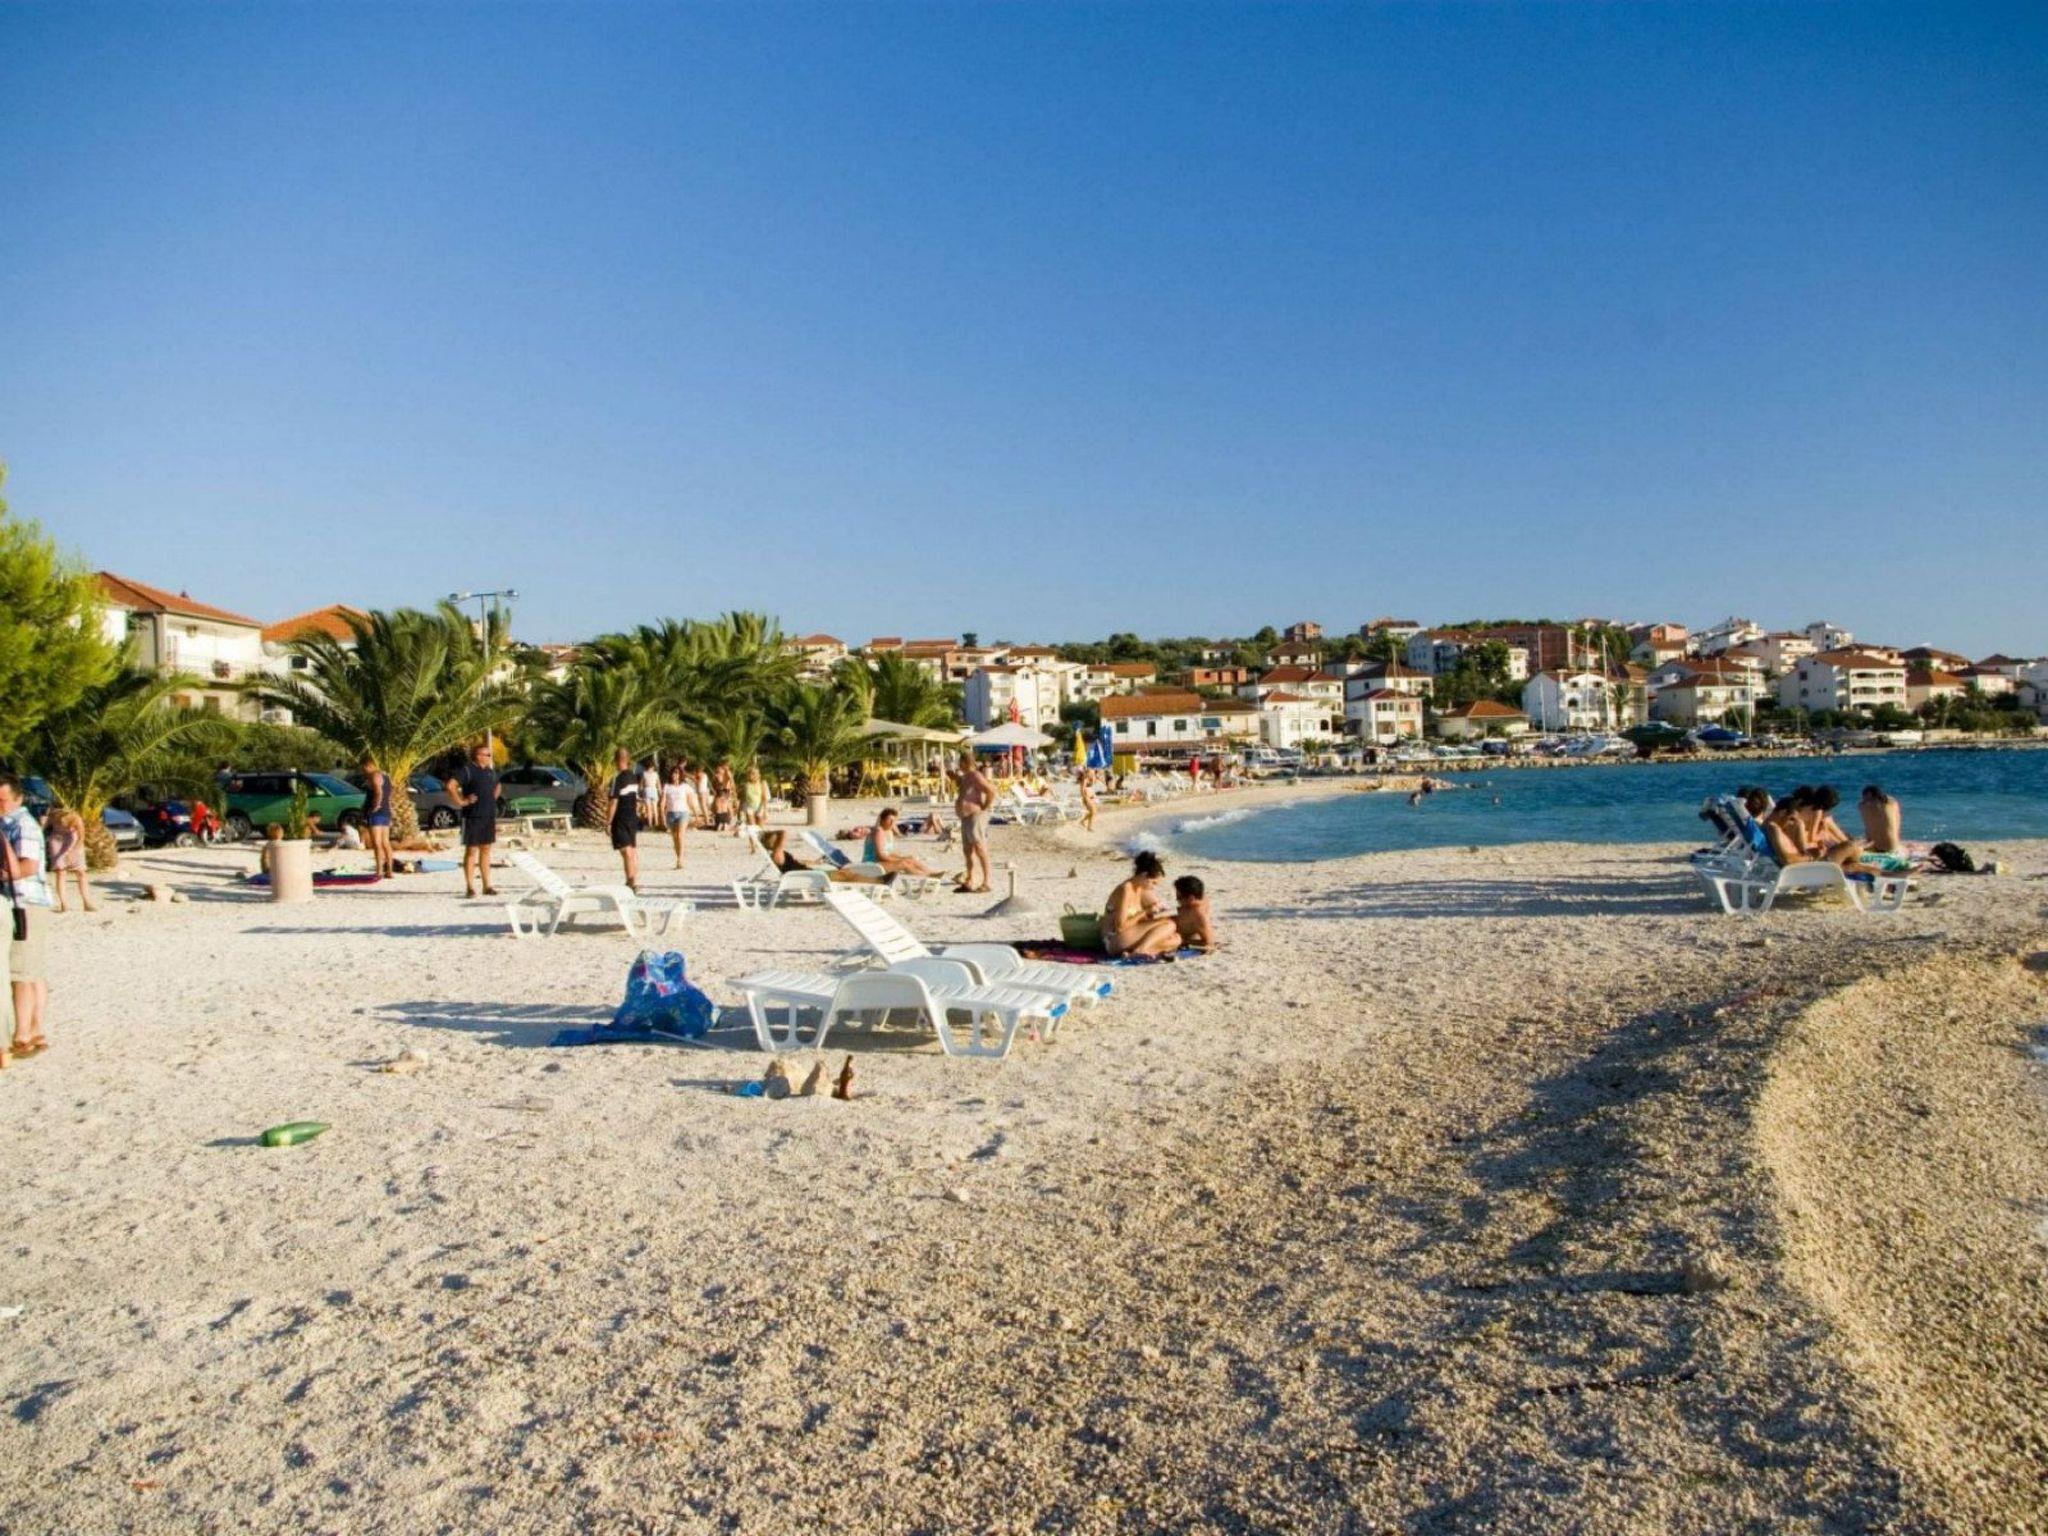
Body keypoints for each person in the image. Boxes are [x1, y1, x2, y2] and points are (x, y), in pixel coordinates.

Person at [0, 774, 53, 1060]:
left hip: (25, 903)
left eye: (3, 801)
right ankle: (35, 1030)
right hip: (27, 901)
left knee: (20, 972)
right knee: (31, 971)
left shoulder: (21, 824)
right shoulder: (10, 822)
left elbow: (27, 867)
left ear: (18, 798)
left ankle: (22, 1036)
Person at [446, 740, 499, 898]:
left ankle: (487, 885)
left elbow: (498, 785)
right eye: (486, 755)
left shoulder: (490, 772)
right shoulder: (467, 770)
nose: (489, 757)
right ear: (478, 756)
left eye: (489, 755)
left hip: (488, 815)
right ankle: (470, 887)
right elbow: (450, 785)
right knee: (471, 850)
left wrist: (492, 798)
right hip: (472, 816)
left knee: (486, 849)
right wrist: (461, 801)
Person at [1102, 850, 1180, 958]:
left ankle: (1133, 953)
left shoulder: (1138, 888)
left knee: (1176, 939)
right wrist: (1145, 912)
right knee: (1170, 925)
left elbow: (1135, 919)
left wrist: (1151, 915)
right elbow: (1120, 927)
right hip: (1114, 938)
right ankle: (1140, 950)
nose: (1153, 887)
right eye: (1153, 883)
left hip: (1127, 936)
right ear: (1144, 875)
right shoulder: (1125, 889)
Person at [760, 829, 889, 885]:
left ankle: (877, 879)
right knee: (845, 875)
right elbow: (784, 833)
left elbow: (795, 862)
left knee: (845, 872)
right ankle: (879, 881)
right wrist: (777, 833)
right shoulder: (776, 854)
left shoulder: (780, 854)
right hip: (805, 876)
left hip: (807, 872)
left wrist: (814, 862)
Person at [950, 751, 995, 894]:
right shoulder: (966, 777)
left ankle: (986, 882)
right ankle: (970, 880)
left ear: (964, 762)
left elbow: (991, 791)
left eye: (960, 762)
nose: (959, 765)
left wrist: (985, 806)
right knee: (967, 850)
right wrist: (955, 777)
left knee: (979, 848)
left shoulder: (976, 775)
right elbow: (964, 788)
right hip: (965, 817)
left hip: (975, 815)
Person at [864, 808, 939, 878]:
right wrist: (900, 860)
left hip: (881, 862)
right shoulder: (879, 831)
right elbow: (880, 856)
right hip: (872, 864)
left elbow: (889, 853)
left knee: (910, 859)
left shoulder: (889, 832)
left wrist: (903, 858)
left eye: (894, 821)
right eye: (889, 820)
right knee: (903, 863)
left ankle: (931, 872)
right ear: (882, 820)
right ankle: (926, 875)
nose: (892, 823)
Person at [607, 747, 642, 889]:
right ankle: (633, 880)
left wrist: (608, 822)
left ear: (617, 760)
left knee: (626, 851)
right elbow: (636, 800)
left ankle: (631, 882)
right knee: (632, 850)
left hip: (620, 819)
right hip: (632, 818)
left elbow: (613, 802)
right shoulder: (633, 777)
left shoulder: (618, 779)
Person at [46, 808, 93, 913]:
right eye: (60, 820)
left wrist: (73, 852)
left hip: (73, 842)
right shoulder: (53, 816)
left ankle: (87, 902)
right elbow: (43, 827)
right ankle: (64, 904)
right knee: (61, 872)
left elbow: (81, 838)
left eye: (65, 820)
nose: (62, 822)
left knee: (81, 872)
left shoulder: (76, 819)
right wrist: (43, 823)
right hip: (57, 841)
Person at [360, 755, 395, 879]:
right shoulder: (386, 777)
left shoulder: (374, 776)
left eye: (363, 768)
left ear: (368, 766)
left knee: (377, 843)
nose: (363, 771)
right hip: (386, 812)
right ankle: (389, 870)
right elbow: (389, 794)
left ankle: (379, 871)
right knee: (386, 843)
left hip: (377, 814)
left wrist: (375, 806)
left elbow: (378, 792)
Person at [1172, 874, 1217, 950]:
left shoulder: (1198, 913)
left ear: (1191, 898)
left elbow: (1209, 941)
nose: (1177, 900)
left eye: (1179, 898)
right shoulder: (1203, 899)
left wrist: (1183, 941)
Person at [662, 763, 693, 870]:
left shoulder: (685, 787)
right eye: (673, 773)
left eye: (676, 773)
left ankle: (680, 859)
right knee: (675, 838)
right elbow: (663, 801)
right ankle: (678, 857)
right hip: (670, 814)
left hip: (683, 813)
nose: (674, 775)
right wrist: (661, 814)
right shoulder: (667, 787)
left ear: (680, 775)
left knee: (680, 836)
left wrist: (695, 813)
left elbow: (690, 801)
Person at [1858, 784, 1902, 854]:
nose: (1863, 798)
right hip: (1891, 846)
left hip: (1873, 846)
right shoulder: (1892, 804)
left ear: (1869, 794)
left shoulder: (1862, 806)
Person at [712, 763, 737, 833]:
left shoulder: (727, 774)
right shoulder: (717, 776)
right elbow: (714, 784)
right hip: (719, 792)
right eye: (718, 770)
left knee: (725, 807)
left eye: (720, 769)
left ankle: (726, 823)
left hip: (725, 792)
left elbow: (731, 781)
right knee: (719, 808)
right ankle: (721, 823)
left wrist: (733, 792)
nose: (718, 770)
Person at [742, 764, 769, 828]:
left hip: (760, 807)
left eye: (754, 774)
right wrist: (740, 811)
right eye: (750, 774)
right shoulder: (746, 785)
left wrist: (765, 811)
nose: (753, 776)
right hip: (749, 807)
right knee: (751, 828)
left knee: (760, 828)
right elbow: (743, 799)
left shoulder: (762, 783)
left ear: (759, 775)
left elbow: (764, 798)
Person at [639, 758, 663, 829]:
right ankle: (656, 823)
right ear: (653, 766)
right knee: (655, 808)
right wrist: (660, 793)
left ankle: (650, 824)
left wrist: (640, 792)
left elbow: (641, 785)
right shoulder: (656, 774)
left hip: (647, 790)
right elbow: (658, 784)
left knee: (648, 809)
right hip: (654, 790)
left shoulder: (644, 774)